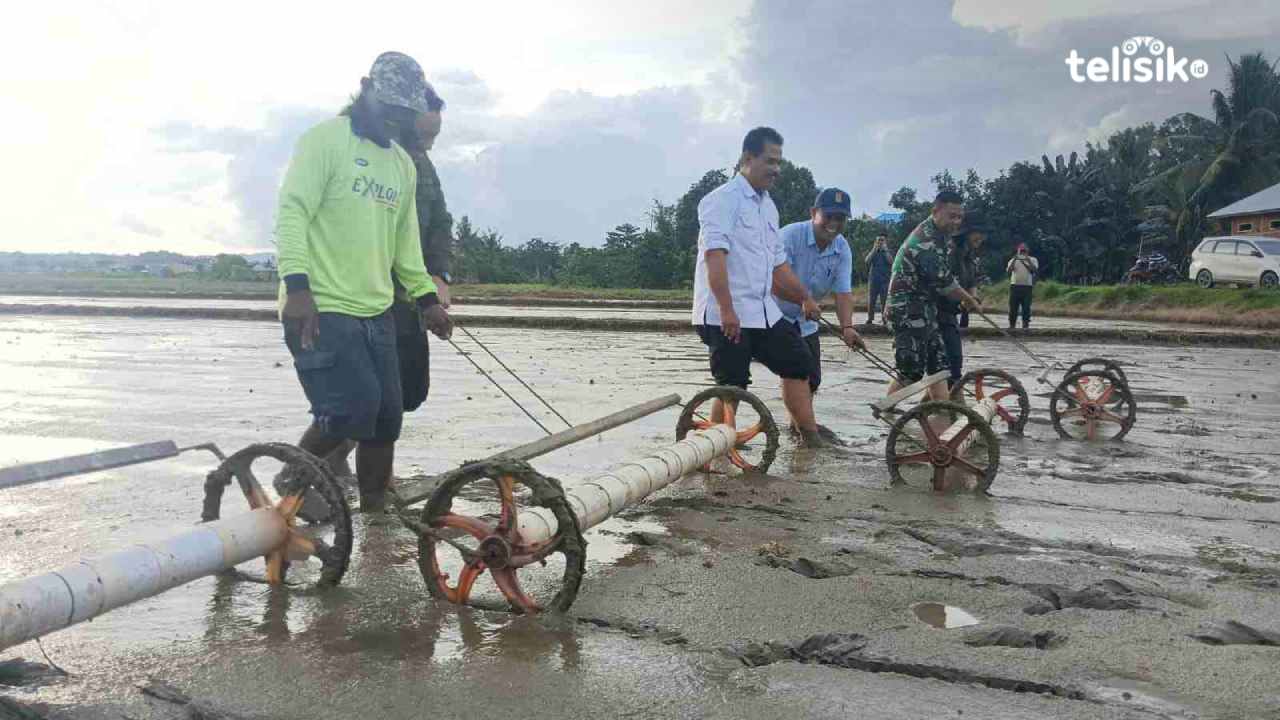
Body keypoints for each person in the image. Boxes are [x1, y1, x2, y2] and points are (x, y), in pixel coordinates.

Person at [275, 51, 453, 513]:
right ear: (365, 88)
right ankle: (292, 475)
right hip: (322, 304)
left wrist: (427, 298)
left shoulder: (401, 163)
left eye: (404, 113)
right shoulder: (324, 141)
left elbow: (405, 244)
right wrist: (297, 288)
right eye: (390, 108)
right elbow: (292, 212)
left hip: (376, 310)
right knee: (352, 408)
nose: (396, 120)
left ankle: (377, 510)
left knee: (386, 418)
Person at [692, 127, 834, 448]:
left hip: (763, 312)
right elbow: (715, 257)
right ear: (747, 158)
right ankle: (714, 445)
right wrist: (728, 310)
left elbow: (778, 267)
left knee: (799, 362)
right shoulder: (720, 201)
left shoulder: (768, 207)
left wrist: (804, 298)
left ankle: (809, 437)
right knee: (733, 383)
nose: (776, 169)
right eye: (770, 161)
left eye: (779, 162)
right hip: (724, 313)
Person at [776, 187, 865, 442]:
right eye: (829, 217)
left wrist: (847, 327)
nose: (834, 224)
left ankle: (798, 423)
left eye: (841, 218)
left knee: (813, 378)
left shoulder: (842, 248)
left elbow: (843, 292)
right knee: (796, 368)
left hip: (806, 321)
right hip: (774, 314)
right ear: (814, 213)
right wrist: (802, 298)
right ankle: (807, 431)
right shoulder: (790, 237)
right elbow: (773, 279)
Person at [884, 191, 980, 402]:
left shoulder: (942, 237)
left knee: (940, 368)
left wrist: (969, 296)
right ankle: (885, 412)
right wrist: (968, 299)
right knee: (910, 372)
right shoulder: (924, 240)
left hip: (926, 310)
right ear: (935, 211)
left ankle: (943, 413)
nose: (955, 222)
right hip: (906, 310)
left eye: (959, 217)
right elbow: (945, 283)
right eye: (951, 216)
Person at [938, 213, 987, 389]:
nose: (981, 237)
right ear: (966, 233)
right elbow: (947, 284)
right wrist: (967, 299)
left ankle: (941, 407)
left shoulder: (969, 255)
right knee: (949, 367)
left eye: (983, 234)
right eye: (977, 233)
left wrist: (973, 297)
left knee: (952, 367)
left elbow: (971, 281)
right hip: (935, 313)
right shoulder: (950, 252)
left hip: (950, 314)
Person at [1006, 243, 1039, 330]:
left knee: (1026, 307)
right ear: (1018, 251)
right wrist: (1015, 259)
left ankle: (1025, 326)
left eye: (1024, 250)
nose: (1023, 252)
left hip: (1027, 287)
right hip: (1015, 286)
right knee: (1013, 307)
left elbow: (1035, 270)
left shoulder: (1033, 259)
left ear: (1028, 251)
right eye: (1021, 250)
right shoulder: (1013, 260)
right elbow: (1009, 271)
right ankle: (1012, 326)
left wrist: (1028, 261)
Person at [864, 235, 893, 325]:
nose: (880, 242)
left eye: (882, 241)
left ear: (885, 242)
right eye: (878, 241)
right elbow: (867, 261)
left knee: (884, 301)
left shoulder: (888, 251)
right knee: (871, 300)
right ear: (876, 242)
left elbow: (891, 262)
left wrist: (886, 250)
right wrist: (874, 249)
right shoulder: (874, 251)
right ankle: (870, 319)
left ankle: (884, 318)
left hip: (885, 280)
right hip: (873, 280)